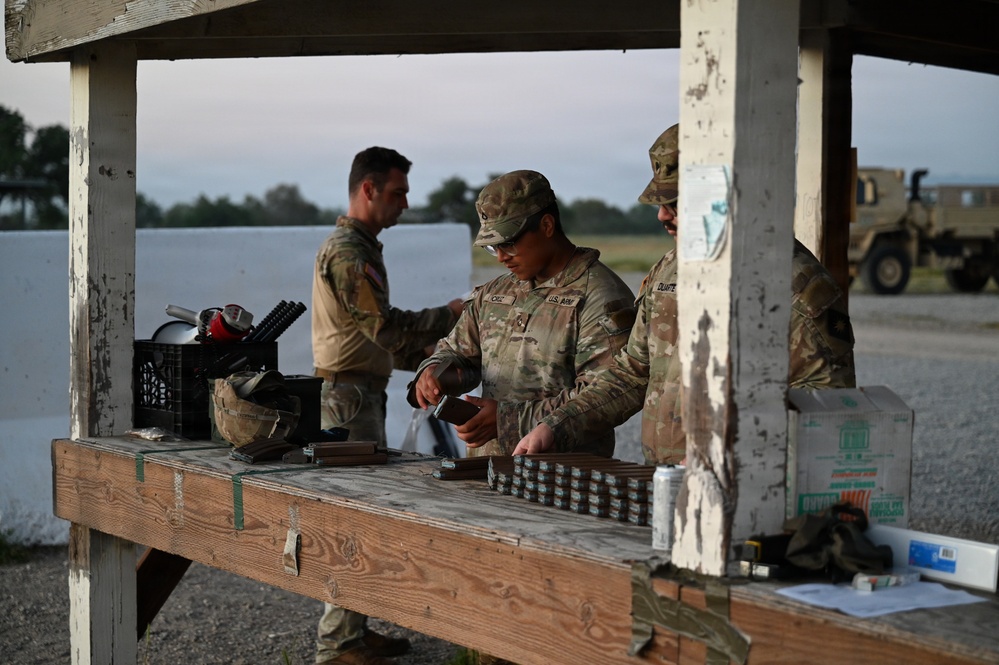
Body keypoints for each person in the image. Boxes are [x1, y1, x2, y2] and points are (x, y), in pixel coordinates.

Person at [514, 124, 856, 464]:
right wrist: (557, 427)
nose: (663, 215)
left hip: (746, 490)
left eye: (677, 203)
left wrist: (730, 462)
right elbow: (632, 372)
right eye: (662, 202)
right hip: (665, 482)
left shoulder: (795, 287)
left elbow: (825, 412)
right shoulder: (669, 270)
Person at [311, 146, 463, 665]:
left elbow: (380, 340)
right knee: (352, 514)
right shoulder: (350, 253)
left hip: (357, 393)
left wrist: (430, 362)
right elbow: (384, 329)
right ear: (368, 189)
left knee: (360, 511)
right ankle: (338, 645)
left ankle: (351, 632)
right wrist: (451, 315)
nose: (405, 203)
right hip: (348, 400)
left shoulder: (360, 248)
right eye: (397, 193)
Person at [412, 169, 638, 460]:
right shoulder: (495, 292)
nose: (502, 257)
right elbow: (457, 352)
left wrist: (508, 421)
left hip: (562, 475)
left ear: (547, 225)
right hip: (485, 471)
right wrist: (435, 373)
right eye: (493, 247)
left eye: (509, 243)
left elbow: (608, 394)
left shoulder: (600, 296)